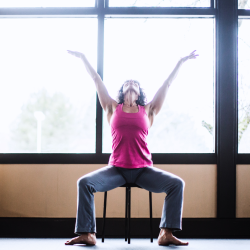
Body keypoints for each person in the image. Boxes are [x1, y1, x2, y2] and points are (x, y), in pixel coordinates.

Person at [65, 50, 198, 246]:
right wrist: (83, 57)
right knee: (84, 183)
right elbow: (95, 79)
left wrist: (180, 62)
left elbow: (167, 84)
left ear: (139, 91)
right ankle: (87, 234)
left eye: (134, 82)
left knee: (176, 184)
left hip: (143, 170)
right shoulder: (112, 107)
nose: (130, 82)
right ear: (122, 89)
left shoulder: (149, 110)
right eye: (127, 81)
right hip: (116, 170)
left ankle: (166, 233)